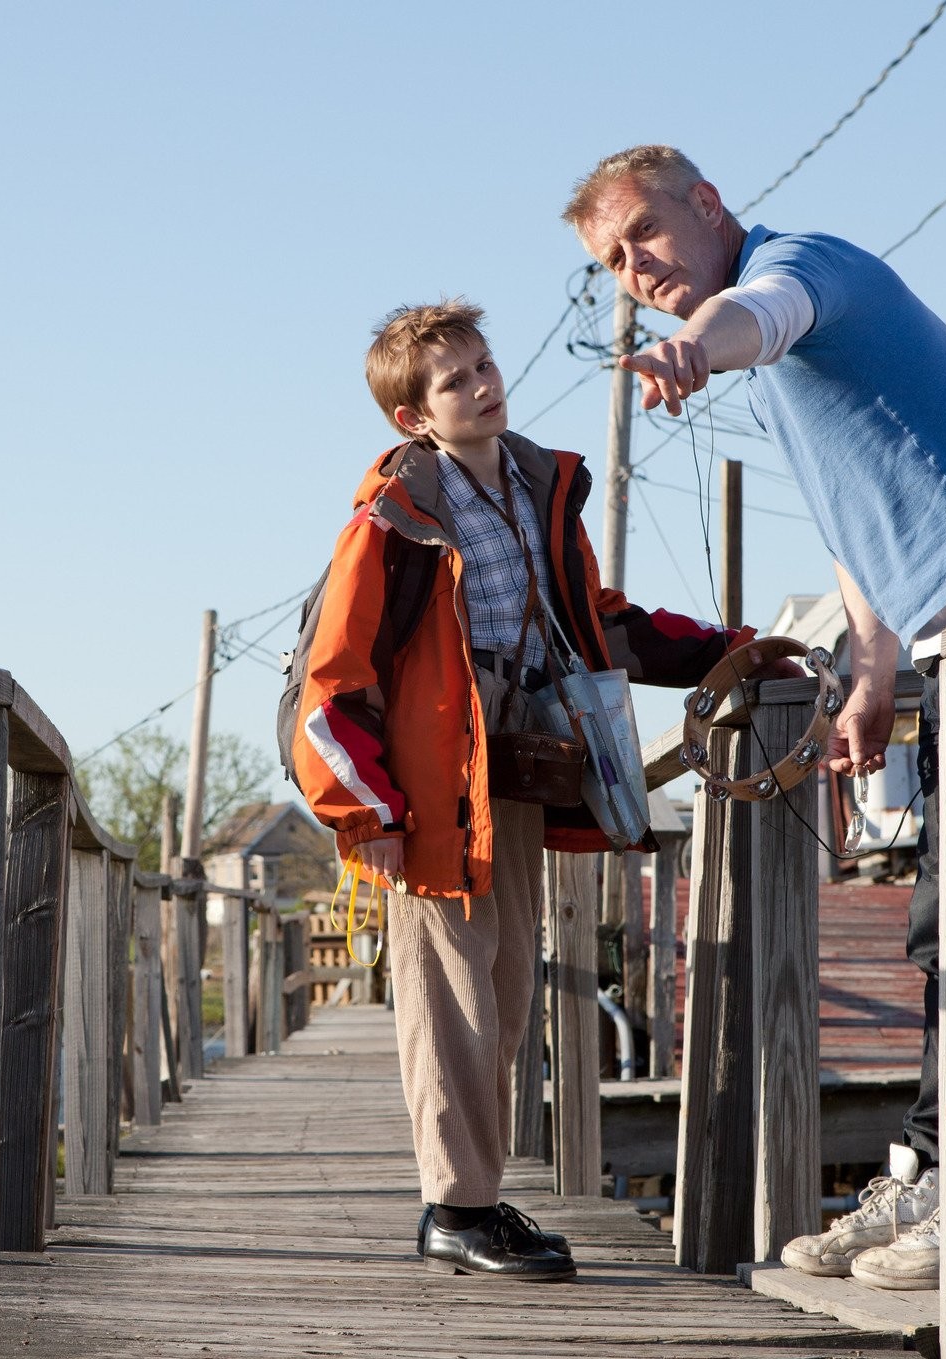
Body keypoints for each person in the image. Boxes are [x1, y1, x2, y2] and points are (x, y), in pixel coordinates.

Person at [562, 146, 946, 1292]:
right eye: (612, 263)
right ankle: (932, 1170)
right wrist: (869, 673)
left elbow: (754, 316)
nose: (635, 270)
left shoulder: (803, 266)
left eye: (645, 237)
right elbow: (853, 530)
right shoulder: (782, 362)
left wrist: (688, 348)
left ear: (706, 204)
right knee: (944, 922)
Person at [293, 299, 766, 1280]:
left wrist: (730, 653)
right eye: (455, 379)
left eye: (483, 364)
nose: (482, 384)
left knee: (505, 989)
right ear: (411, 417)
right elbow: (331, 684)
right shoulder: (391, 520)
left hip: (513, 771)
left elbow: (599, 623)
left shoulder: (536, 487)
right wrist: (366, 812)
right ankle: (452, 1210)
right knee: (451, 994)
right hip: (425, 795)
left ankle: (473, 1196)